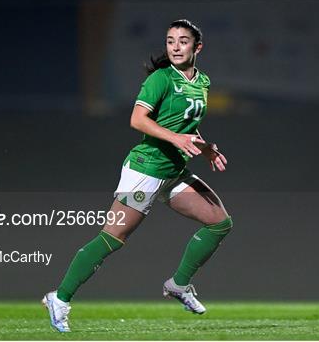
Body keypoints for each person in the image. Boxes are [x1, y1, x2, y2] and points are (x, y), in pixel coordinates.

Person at [42, 19, 232, 333]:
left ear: (198, 47)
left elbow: (184, 125)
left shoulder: (202, 81)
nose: (175, 46)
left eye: (182, 41)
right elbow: (137, 120)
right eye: (170, 40)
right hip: (144, 172)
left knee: (220, 222)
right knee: (111, 239)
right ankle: (59, 298)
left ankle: (178, 285)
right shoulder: (160, 79)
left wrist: (206, 146)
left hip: (173, 172)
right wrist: (176, 139)